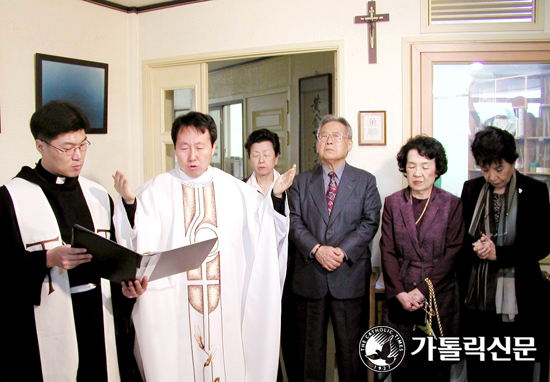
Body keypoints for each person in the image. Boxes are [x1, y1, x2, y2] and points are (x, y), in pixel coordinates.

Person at [113, 111, 296, 382]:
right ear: (174, 148)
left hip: (226, 304)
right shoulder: (153, 191)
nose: (192, 156)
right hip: (174, 305)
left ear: (213, 147)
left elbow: (267, 234)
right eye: (184, 148)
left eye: (200, 147)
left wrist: (277, 197)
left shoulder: (238, 191)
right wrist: (129, 205)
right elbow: (136, 240)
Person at [0, 100, 145, 382]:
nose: (78, 156)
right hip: (45, 326)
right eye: (67, 148)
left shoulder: (98, 194)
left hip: (98, 320)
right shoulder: (11, 199)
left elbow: (113, 258)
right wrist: (46, 259)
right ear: (40, 146)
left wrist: (127, 288)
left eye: (83, 145)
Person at [288, 114, 381, 382]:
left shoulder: (365, 181)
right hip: (310, 277)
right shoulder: (301, 182)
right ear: (317, 144)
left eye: (336, 136)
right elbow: (293, 221)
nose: (329, 141)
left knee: (352, 355)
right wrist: (317, 249)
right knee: (309, 355)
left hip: (349, 277)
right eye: (323, 136)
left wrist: (340, 252)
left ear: (349, 143)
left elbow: (369, 221)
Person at [459, 126, 550, 381]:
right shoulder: (472, 189)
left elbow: (542, 245)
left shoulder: (535, 191)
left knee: (515, 369)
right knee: (480, 368)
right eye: (485, 169)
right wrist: (476, 247)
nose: (492, 176)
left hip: (520, 299)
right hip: (478, 298)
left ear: (514, 160)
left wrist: (499, 254)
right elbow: (460, 240)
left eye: (499, 168)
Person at [380, 135, 464, 381]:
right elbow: (387, 250)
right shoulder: (393, 203)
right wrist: (400, 292)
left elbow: (453, 252)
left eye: (425, 166)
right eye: (412, 165)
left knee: (435, 369)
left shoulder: (452, 204)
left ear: (437, 169)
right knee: (401, 366)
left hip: (438, 294)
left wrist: (423, 291)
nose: (418, 173)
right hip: (401, 293)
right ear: (404, 169)